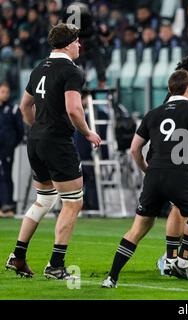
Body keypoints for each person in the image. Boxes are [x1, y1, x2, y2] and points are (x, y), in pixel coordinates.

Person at [101, 70, 188, 290]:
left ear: (170, 89)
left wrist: (147, 170)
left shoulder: (153, 113)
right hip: (181, 173)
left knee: (136, 230)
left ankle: (111, 278)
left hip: (155, 174)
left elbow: (135, 149)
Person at [4, 23, 101, 279]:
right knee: (73, 202)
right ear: (69, 43)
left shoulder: (38, 68)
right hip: (57, 142)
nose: (80, 45)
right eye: (77, 41)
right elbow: (73, 109)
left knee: (44, 199)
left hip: (35, 139)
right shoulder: (71, 71)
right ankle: (56, 264)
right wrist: (88, 132)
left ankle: (18, 256)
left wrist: (38, 127)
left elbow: (25, 105)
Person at [0, 81, 24, 218]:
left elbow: (20, 131)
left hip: (6, 150)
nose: (5, 95)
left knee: (5, 175)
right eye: (2, 91)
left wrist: (11, 144)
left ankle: (7, 204)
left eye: (7, 92)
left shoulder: (13, 109)